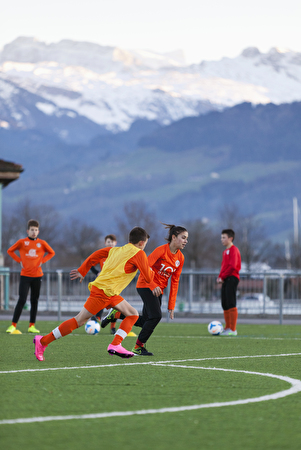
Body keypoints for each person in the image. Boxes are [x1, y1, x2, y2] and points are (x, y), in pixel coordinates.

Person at [33, 226, 154, 361]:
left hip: (110, 292)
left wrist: (82, 270)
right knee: (79, 321)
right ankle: (43, 341)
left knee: (133, 314)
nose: (144, 247)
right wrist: (152, 270)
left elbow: (95, 255)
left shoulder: (116, 250)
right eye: (145, 244)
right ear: (142, 243)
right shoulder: (139, 253)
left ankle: (115, 344)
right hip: (103, 292)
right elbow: (149, 278)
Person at [101, 223, 188, 356]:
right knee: (156, 316)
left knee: (146, 320)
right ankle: (138, 347)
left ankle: (117, 314)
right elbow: (144, 268)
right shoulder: (161, 250)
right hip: (145, 285)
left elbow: (175, 281)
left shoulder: (180, 258)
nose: (186, 241)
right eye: (183, 237)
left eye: (187, 238)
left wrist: (171, 305)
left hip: (158, 290)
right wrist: (152, 285)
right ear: (174, 237)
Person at [6, 219, 55, 334]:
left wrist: (43, 260)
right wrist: (19, 261)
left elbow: (51, 252)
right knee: (22, 300)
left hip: (37, 276)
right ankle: (13, 325)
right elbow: (10, 251)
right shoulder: (22, 242)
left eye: (36, 230)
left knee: (34, 300)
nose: (34, 232)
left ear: (38, 231)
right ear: (27, 231)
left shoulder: (42, 243)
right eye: (32, 230)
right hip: (25, 276)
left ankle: (31, 325)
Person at [90, 234, 118, 334]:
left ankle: (112, 328)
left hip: (114, 284)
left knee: (116, 306)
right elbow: (91, 264)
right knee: (101, 301)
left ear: (115, 243)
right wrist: (97, 273)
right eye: (108, 242)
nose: (110, 244)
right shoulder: (102, 255)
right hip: (103, 284)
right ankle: (97, 317)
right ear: (105, 243)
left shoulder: (118, 255)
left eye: (112, 242)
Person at [216, 228, 241, 336]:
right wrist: (220, 277)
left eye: (224, 237)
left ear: (230, 238)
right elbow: (223, 266)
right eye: (221, 237)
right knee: (224, 303)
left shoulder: (234, 250)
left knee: (231, 302)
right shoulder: (225, 251)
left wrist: (223, 276)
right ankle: (227, 328)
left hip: (232, 278)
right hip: (225, 278)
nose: (221, 239)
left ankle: (233, 329)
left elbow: (232, 266)